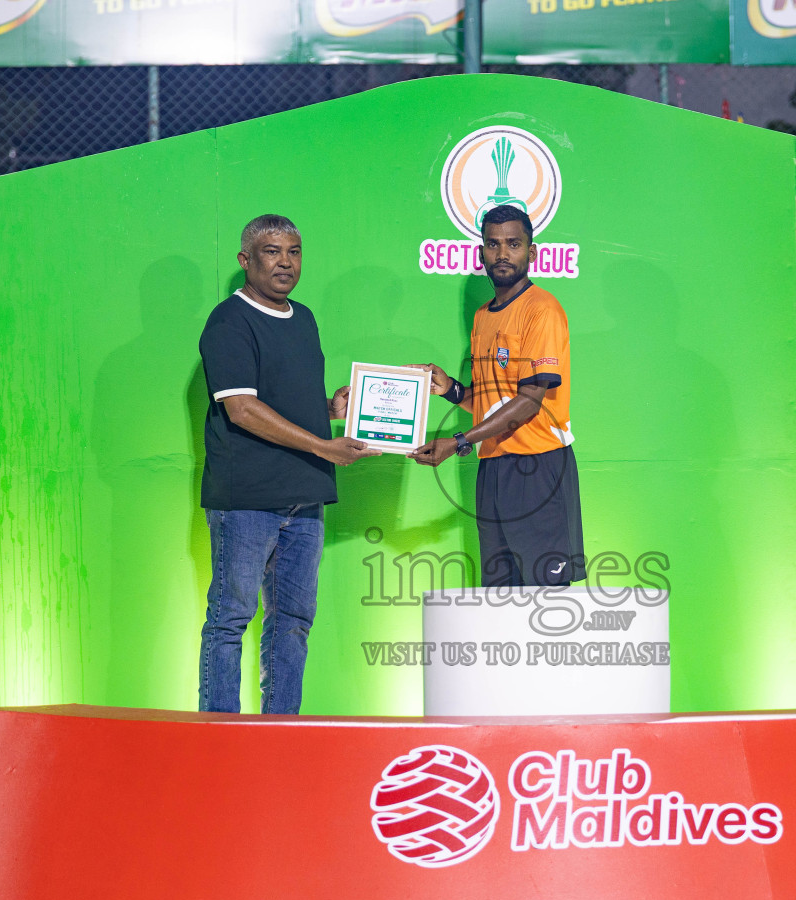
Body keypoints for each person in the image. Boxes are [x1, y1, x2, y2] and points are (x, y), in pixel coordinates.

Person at [198, 214, 377, 714]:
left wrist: (329, 412)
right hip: (248, 501)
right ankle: (218, 731)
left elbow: (281, 400)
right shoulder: (229, 321)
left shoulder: (304, 317)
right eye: (272, 251)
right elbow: (242, 408)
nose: (285, 262)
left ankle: (280, 730)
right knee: (231, 617)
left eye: (293, 252)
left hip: (306, 498)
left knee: (293, 621)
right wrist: (323, 446)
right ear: (246, 260)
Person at [410, 204, 585, 587]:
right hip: (494, 468)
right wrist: (452, 391)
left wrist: (457, 441)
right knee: (499, 595)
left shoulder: (542, 309)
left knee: (545, 598)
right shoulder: (482, 316)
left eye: (513, 244)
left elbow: (527, 402)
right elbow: (493, 402)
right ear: (482, 253)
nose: (502, 254)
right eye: (493, 244)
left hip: (538, 466)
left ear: (531, 252)